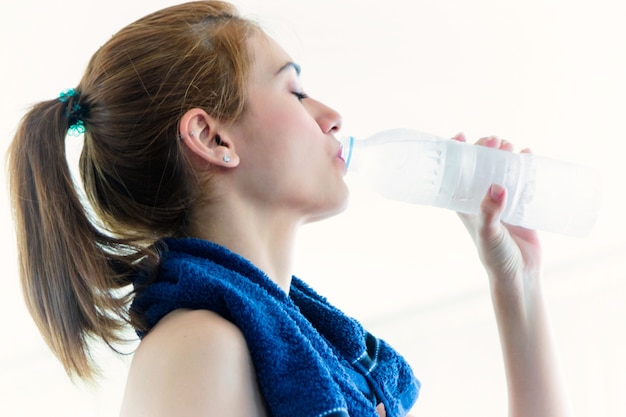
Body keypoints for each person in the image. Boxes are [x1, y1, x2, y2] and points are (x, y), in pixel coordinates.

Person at [7, 1, 572, 416]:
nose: (331, 116)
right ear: (212, 137)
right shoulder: (197, 349)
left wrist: (517, 284)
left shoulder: (281, 347)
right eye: (295, 92)